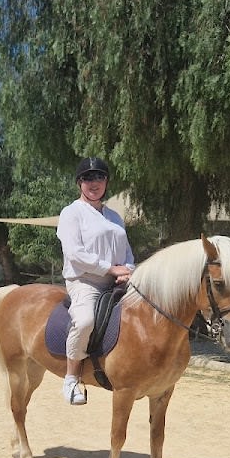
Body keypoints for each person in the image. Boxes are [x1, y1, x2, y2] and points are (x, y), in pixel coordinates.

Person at [56, 156, 135, 405]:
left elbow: (127, 251)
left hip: (118, 280)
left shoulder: (114, 216)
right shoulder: (71, 213)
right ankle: (71, 378)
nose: (94, 182)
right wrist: (110, 268)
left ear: (106, 182)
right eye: (88, 178)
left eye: (99, 177)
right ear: (80, 183)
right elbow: (74, 253)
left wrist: (128, 269)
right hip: (85, 281)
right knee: (85, 320)